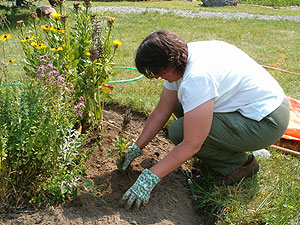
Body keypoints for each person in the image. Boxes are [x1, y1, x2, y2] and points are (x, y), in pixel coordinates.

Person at [119, 30, 290, 210]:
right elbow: (162, 110)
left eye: (158, 72)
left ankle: (241, 165)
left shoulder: (197, 77)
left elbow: (192, 143)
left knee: (180, 131)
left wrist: (150, 177)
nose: (158, 77)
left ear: (168, 64)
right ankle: (232, 145)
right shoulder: (182, 57)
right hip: (253, 108)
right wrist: (137, 147)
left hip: (266, 121)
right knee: (178, 104)